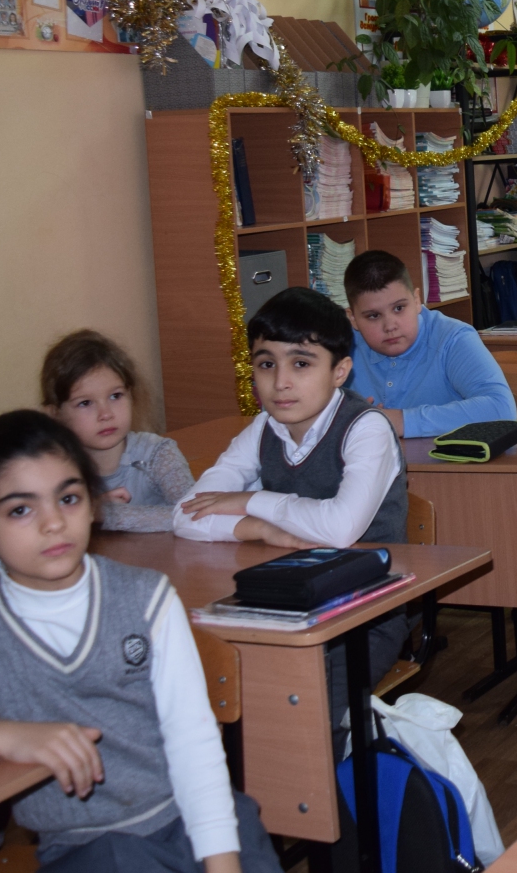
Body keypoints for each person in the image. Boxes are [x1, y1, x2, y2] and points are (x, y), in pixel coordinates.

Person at [0, 411, 281, 872]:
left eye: (68, 498)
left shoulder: (144, 597)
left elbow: (194, 744)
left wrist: (222, 863)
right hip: (82, 849)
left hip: (198, 823)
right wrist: (5, 737)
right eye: (20, 510)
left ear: (94, 504)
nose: (53, 523)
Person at [174, 287, 410, 741]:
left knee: (305, 722)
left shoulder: (367, 428)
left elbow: (339, 528)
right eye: (266, 364)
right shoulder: (264, 428)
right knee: (218, 703)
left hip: (365, 613)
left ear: (340, 370)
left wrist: (250, 502)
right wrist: (260, 529)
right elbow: (185, 516)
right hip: (281, 602)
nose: (281, 382)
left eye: (301, 363)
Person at [340, 250, 515, 438]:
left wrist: (401, 421)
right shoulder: (340, 344)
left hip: (444, 457)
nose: (390, 326)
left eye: (399, 308)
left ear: (416, 301)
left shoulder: (453, 338)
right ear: (353, 318)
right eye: (373, 316)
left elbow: (502, 409)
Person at [40, 329, 193, 532]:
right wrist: (87, 510)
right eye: (85, 403)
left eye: (116, 396)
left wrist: (105, 514)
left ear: (131, 395)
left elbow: (195, 515)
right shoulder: (53, 470)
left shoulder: (158, 454)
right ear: (55, 414)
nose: (106, 414)